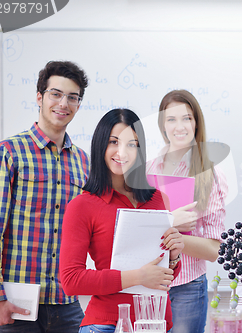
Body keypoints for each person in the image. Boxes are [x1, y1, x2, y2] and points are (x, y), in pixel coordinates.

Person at [59, 108, 184, 332]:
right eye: (113, 142)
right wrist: (138, 277)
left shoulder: (157, 198)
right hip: (106, 324)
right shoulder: (82, 206)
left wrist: (173, 257)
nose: (122, 152)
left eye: (131, 144)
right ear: (100, 146)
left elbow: (163, 276)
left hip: (156, 322)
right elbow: (71, 280)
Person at [0, 61, 89, 332]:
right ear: (39, 97)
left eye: (72, 97)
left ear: (78, 104)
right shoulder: (8, 151)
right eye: (55, 94)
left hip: (66, 302)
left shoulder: (83, 162)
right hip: (15, 302)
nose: (63, 103)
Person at [146, 90, 227, 333]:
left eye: (187, 118)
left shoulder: (210, 176)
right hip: (147, 283)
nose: (179, 126)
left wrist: (173, 235)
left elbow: (214, 250)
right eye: (171, 119)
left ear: (196, 123)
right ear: (162, 125)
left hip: (187, 288)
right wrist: (170, 222)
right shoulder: (145, 172)